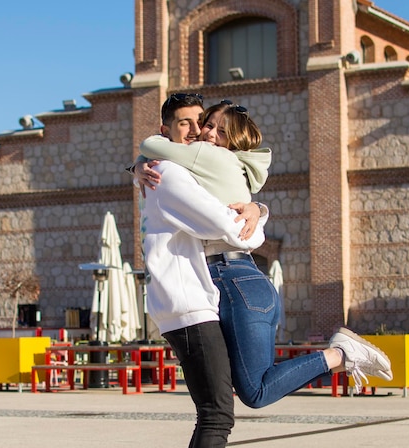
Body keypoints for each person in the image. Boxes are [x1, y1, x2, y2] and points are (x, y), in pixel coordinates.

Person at [136, 99, 393, 411]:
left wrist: (140, 163)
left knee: (255, 391)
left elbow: (152, 145)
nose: (206, 132)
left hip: (231, 279)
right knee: (248, 388)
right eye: (208, 124)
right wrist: (259, 209)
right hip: (241, 280)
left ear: (233, 142)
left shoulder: (208, 156)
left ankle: (340, 354)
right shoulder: (226, 165)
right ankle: (338, 356)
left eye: (219, 129)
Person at [138, 93, 264, 448]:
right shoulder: (170, 173)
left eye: (202, 122)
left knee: (213, 414)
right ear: (165, 131)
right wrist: (258, 222)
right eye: (185, 124)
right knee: (217, 414)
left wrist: (257, 206)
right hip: (188, 302)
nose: (197, 131)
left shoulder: (168, 169)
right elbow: (229, 228)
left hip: (189, 300)